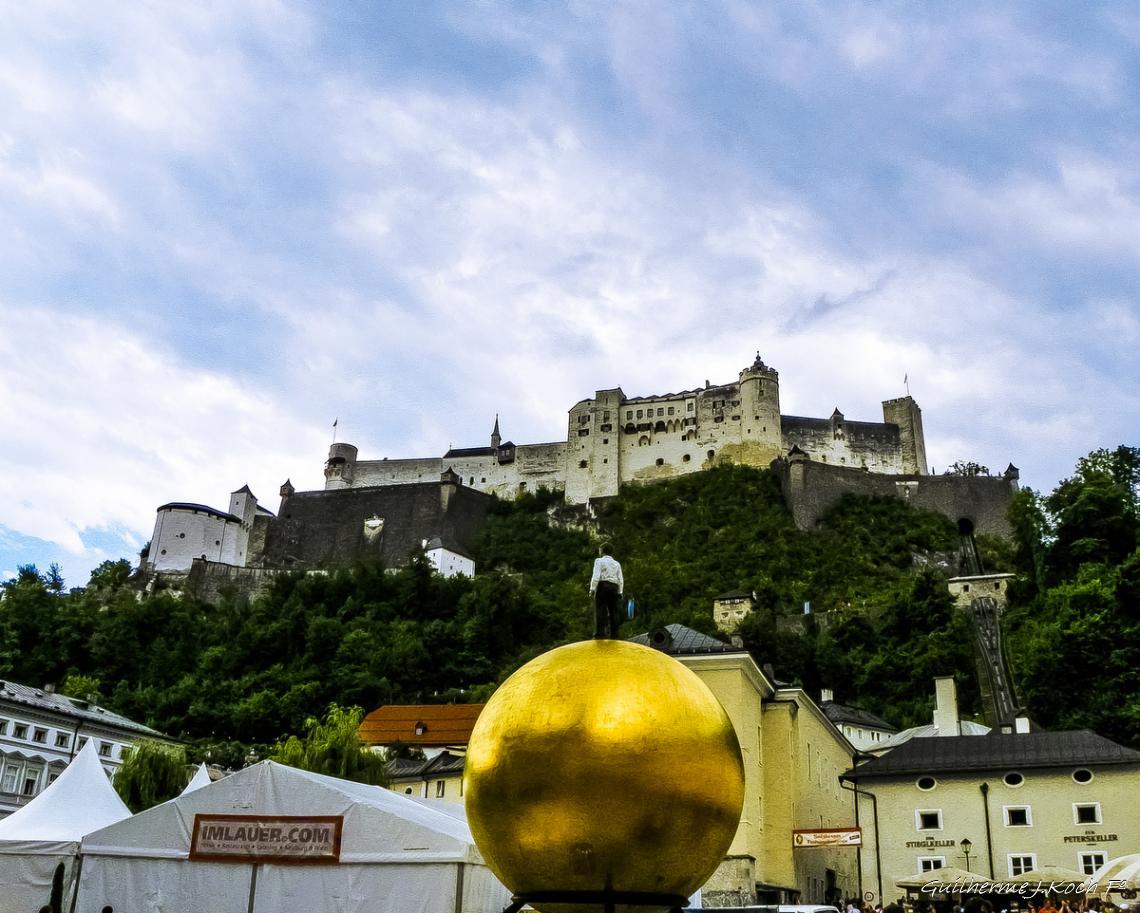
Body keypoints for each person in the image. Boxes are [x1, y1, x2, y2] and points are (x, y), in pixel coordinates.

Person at [590, 547, 624, 638]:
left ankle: (600, 633)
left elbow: (596, 576)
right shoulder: (617, 564)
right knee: (614, 611)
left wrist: (592, 589)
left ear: (602, 551)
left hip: (603, 585)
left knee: (601, 609)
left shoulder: (599, 561)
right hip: (614, 587)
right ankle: (615, 634)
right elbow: (620, 579)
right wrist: (620, 591)